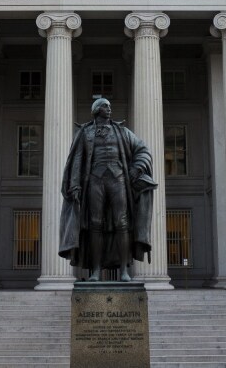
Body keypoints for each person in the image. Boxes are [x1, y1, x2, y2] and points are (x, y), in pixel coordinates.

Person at [59, 98, 157, 281]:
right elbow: (77, 160)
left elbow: (143, 150)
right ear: (96, 110)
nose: (109, 109)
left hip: (118, 179)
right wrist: (74, 185)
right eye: (105, 106)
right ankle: (95, 270)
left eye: (110, 106)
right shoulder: (85, 133)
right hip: (95, 180)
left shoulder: (122, 132)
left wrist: (137, 168)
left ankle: (124, 271)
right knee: (95, 224)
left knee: (122, 223)